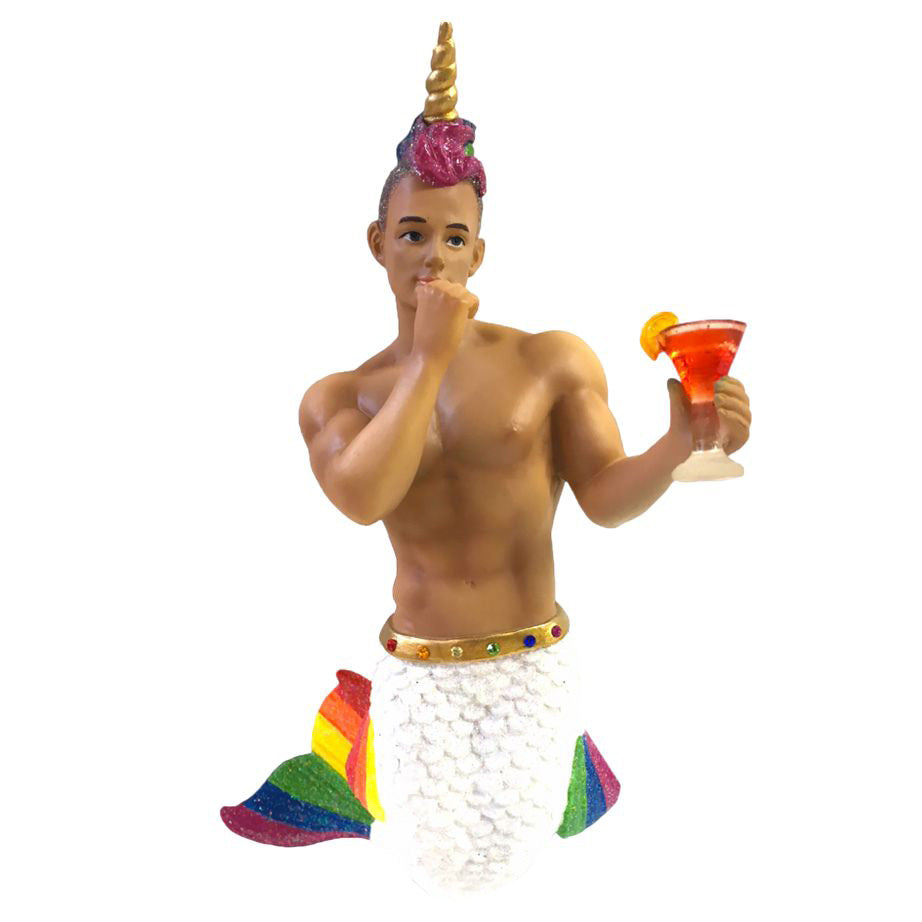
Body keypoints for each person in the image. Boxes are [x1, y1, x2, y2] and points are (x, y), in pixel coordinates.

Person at [222, 22, 752, 893]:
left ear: (480, 249)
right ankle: (349, 782)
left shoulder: (551, 361)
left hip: (533, 664)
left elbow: (606, 499)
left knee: (515, 862)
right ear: (376, 242)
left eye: (454, 237)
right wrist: (427, 360)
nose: (433, 256)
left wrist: (676, 444)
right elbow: (362, 497)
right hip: (420, 675)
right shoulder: (338, 398)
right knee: (438, 873)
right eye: (412, 234)